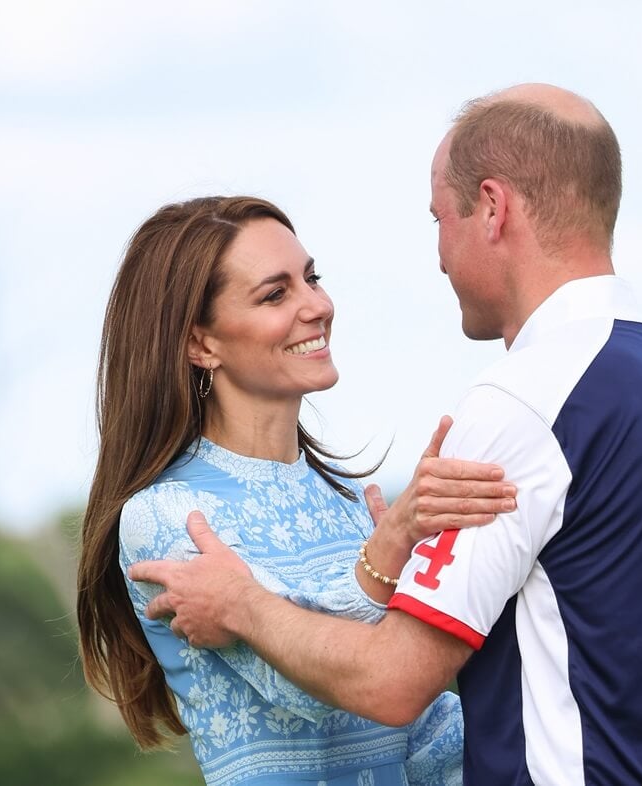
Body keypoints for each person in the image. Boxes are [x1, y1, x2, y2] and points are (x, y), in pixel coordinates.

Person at [132, 84, 642, 785]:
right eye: (278, 292)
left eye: (440, 218)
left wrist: (245, 604)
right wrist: (388, 556)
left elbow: (392, 687)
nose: (437, 255)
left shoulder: (527, 402)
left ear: (492, 208)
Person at [76, 195, 519, 785]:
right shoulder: (165, 515)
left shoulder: (348, 505)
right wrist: (392, 547)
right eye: (275, 293)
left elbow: (425, 730)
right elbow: (313, 689)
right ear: (200, 344)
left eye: (312, 278)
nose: (318, 305)